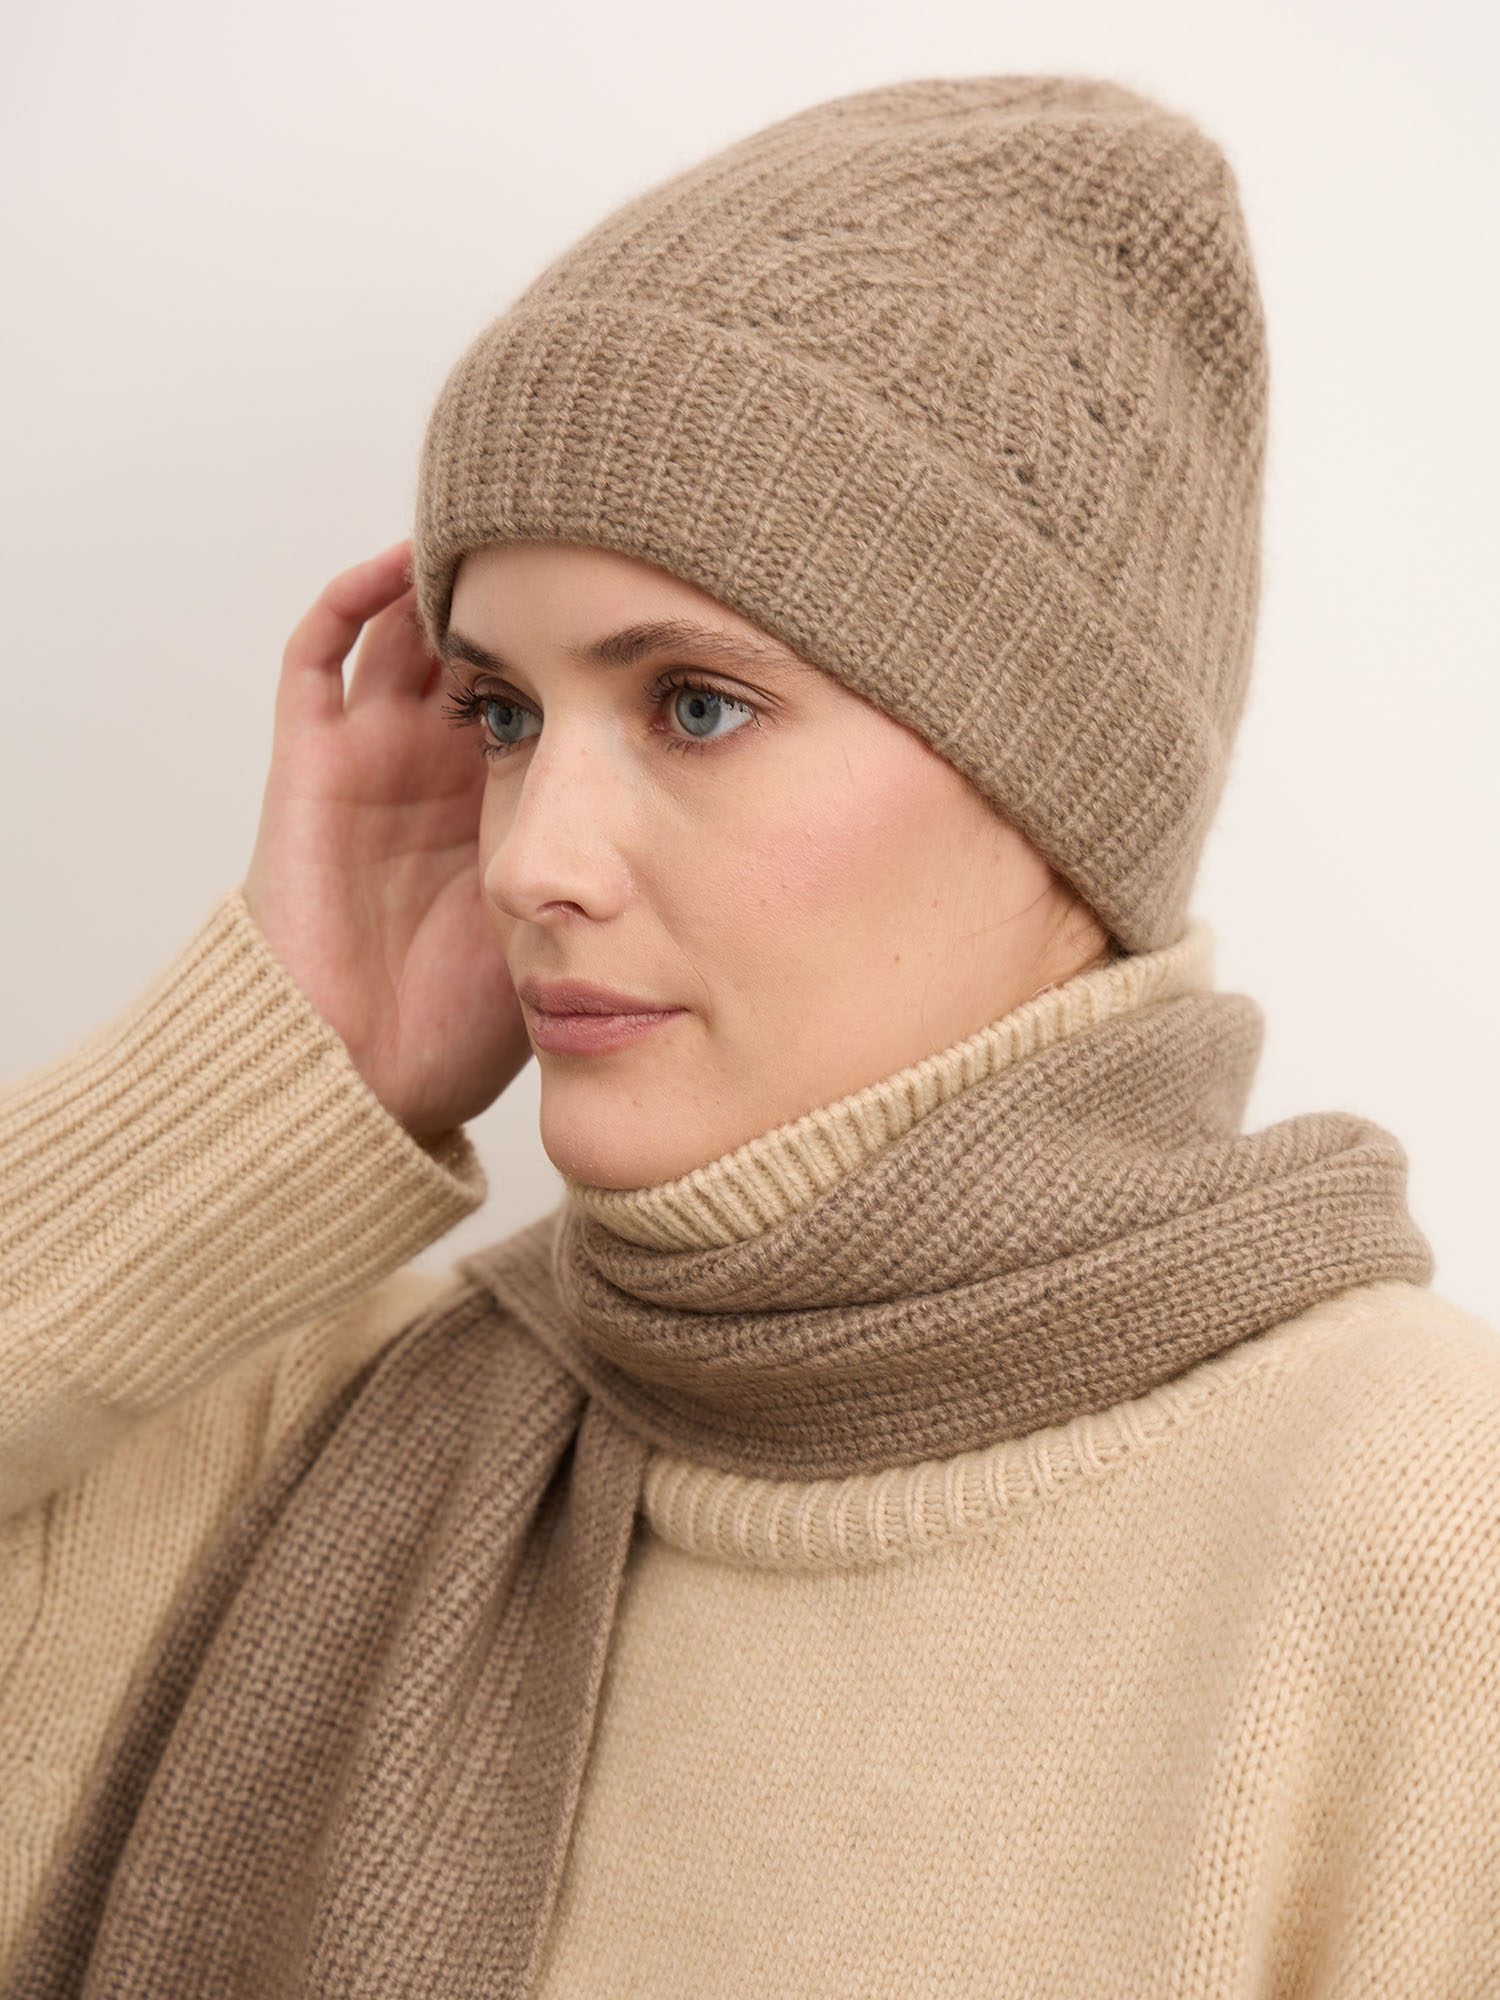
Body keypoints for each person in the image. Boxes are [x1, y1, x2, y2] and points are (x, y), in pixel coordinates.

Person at [2, 72, 1497, 2000]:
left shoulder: (1414, 1538)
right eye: (501, 714)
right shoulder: (279, 1435)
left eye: (696, 706)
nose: (530, 860)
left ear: (1055, 779)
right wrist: (281, 1073)